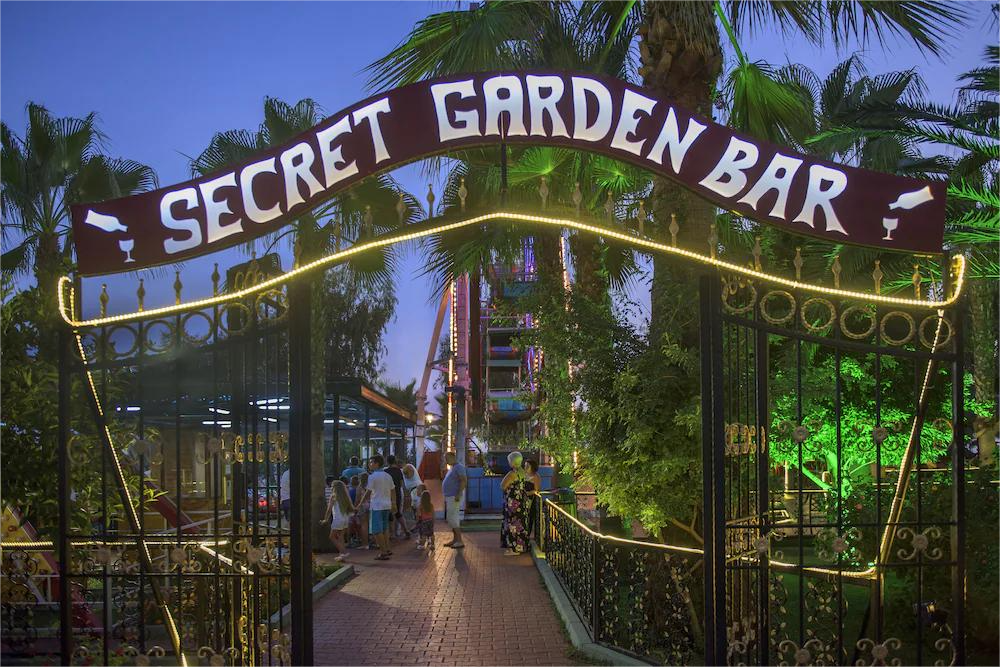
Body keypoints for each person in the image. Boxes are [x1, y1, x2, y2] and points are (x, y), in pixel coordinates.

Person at [366, 455, 396, 560]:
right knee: (384, 528)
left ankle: (383, 552)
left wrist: (360, 503)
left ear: (377, 463)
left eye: (371, 462)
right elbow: (393, 490)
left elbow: (368, 491)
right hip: (386, 504)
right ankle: (387, 549)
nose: (369, 464)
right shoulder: (388, 476)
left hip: (376, 505)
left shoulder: (372, 477)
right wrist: (394, 503)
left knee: (376, 530)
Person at [500, 451, 530, 554]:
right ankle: (520, 546)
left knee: (512, 524)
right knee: (520, 524)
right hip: (521, 501)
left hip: (513, 502)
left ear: (512, 462)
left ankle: (514, 548)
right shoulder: (523, 472)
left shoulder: (512, 474)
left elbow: (503, 486)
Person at [321, 480, 356, 562]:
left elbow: (329, 509)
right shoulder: (345, 496)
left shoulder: (333, 496)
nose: (331, 488)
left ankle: (343, 552)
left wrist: (325, 519)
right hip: (345, 519)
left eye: (332, 486)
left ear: (335, 488)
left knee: (332, 537)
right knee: (341, 536)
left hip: (337, 519)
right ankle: (341, 554)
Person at [441, 451, 467, 549]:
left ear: (453, 457)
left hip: (454, 496)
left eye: (447, 458)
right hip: (450, 496)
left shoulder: (459, 467)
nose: (446, 461)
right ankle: (455, 539)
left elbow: (463, 480)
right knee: (450, 518)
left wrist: (459, 493)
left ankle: (459, 540)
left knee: (453, 518)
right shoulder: (453, 468)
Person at [383, 455, 410, 539]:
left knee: (390, 515)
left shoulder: (385, 471)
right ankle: (406, 530)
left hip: (388, 494)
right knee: (398, 513)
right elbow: (402, 484)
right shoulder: (399, 471)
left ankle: (392, 534)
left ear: (387, 462)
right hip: (398, 493)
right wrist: (405, 494)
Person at [524, 459, 542, 541]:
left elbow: (536, 490)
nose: (525, 467)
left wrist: (527, 493)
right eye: (525, 465)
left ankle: (529, 535)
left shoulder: (536, 476)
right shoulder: (523, 475)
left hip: (532, 499)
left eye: (527, 466)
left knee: (530, 517)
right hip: (522, 499)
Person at [401, 464, 422, 533]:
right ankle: (418, 524)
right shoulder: (404, 470)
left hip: (416, 489)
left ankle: (419, 525)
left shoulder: (408, 467)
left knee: (417, 509)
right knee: (415, 508)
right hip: (413, 491)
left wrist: (404, 474)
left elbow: (409, 475)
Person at [355, 472, 371, 550]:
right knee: (370, 525)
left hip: (363, 505)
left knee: (364, 525)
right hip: (371, 505)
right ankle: (374, 542)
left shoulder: (360, 487)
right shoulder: (370, 485)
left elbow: (357, 498)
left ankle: (365, 543)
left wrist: (355, 507)